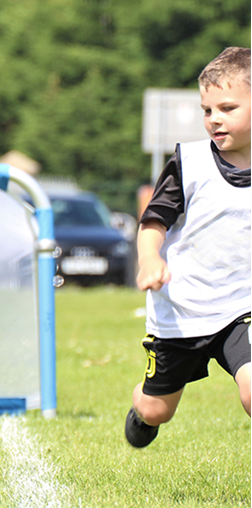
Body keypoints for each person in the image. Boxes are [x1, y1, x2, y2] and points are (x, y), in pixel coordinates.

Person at [125, 46, 251, 448]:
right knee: (156, 410)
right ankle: (142, 410)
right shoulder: (189, 163)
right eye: (207, 110)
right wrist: (149, 261)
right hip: (183, 310)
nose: (214, 119)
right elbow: (153, 222)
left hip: (241, 306)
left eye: (227, 108)